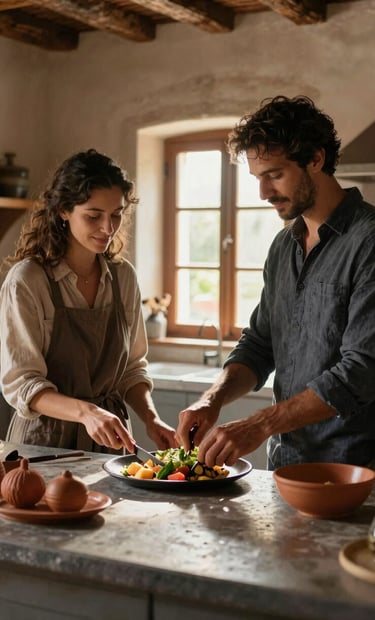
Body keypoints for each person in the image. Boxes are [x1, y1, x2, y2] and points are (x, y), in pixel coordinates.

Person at [176, 95, 375, 470]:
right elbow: (260, 344)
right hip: (285, 467)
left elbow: (362, 370)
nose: (263, 193)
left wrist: (260, 424)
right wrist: (212, 399)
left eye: (275, 174)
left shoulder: (369, 242)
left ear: (315, 159)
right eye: (257, 178)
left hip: (357, 472)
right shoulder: (284, 247)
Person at [0, 148, 177, 453]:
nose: (108, 228)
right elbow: (22, 384)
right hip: (42, 446)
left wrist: (151, 419)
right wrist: (87, 413)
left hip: (110, 442)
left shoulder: (123, 277)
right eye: (94, 216)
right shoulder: (28, 280)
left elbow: (132, 368)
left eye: (117, 215)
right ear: (63, 211)